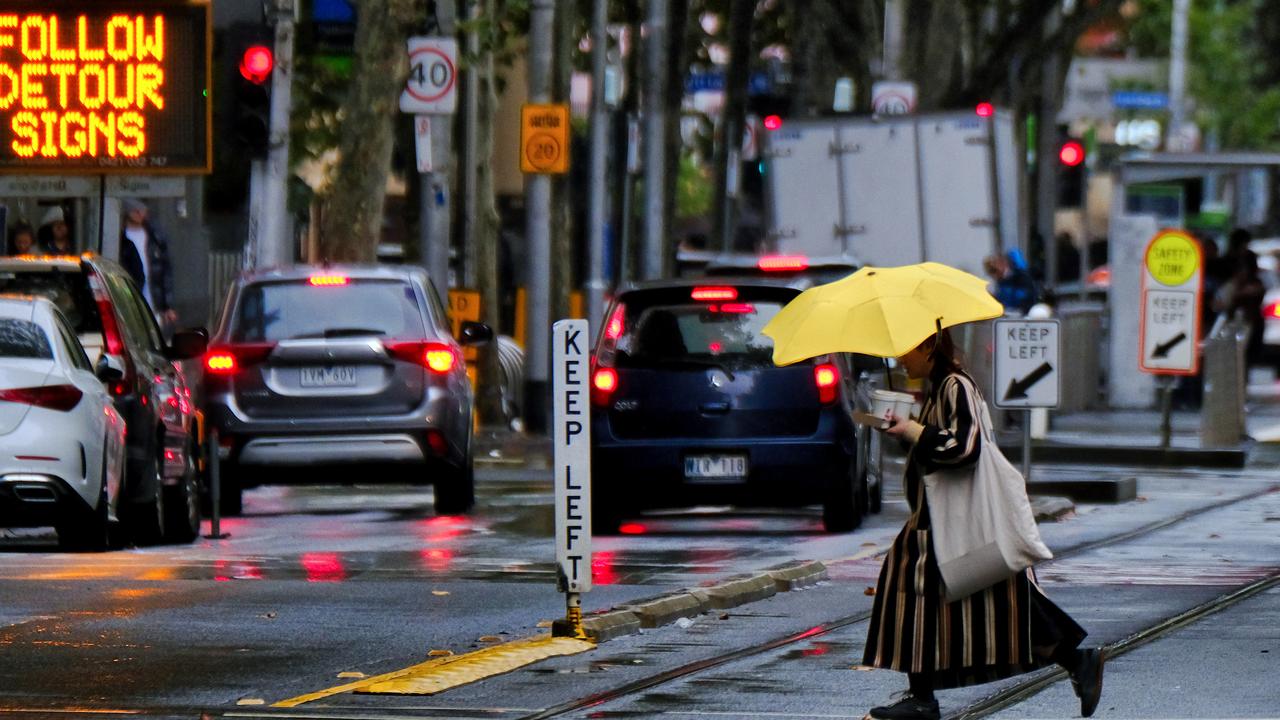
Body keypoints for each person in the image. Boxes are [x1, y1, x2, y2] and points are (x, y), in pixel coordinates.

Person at [861, 329, 1103, 720]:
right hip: (941, 517)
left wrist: (912, 431)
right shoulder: (941, 387)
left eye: (906, 348)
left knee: (925, 587)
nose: (900, 358)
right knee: (988, 600)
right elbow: (939, 448)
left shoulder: (956, 385)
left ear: (928, 345)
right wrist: (904, 431)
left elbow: (965, 447)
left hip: (952, 519)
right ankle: (1076, 662)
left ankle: (924, 699)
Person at [119, 199, 178, 327]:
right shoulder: (120, 240)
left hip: (154, 305)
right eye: (135, 209)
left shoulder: (156, 238)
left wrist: (168, 305)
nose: (139, 212)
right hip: (130, 303)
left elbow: (165, 273)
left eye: (142, 209)